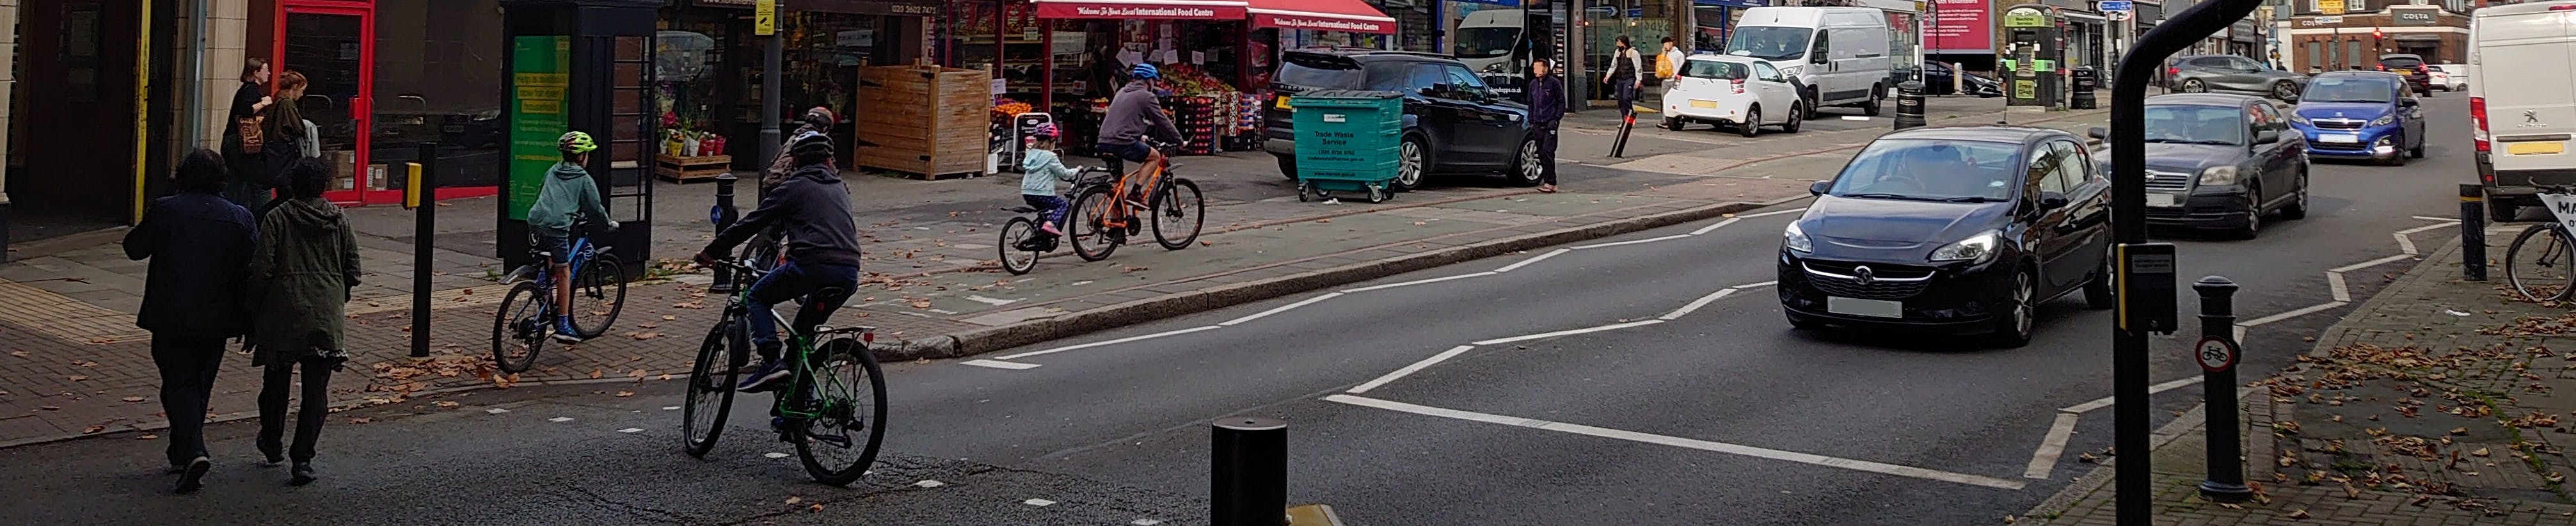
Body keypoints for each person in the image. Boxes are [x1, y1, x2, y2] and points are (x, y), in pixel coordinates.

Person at [123, 149, 257, 494]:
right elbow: (253, 267)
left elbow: (134, 248)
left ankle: (193, 450)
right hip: (218, 316)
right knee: (199, 383)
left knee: (178, 382)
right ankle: (181, 450)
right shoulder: (240, 218)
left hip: (171, 312)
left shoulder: (167, 210)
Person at [692, 132, 862, 398]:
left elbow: (751, 224)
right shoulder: (840, 187)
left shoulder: (793, 187)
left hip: (811, 266)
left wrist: (710, 253)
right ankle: (797, 407)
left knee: (758, 296)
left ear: (794, 161)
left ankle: (770, 360)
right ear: (830, 161)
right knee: (801, 337)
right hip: (849, 272)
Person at [245, 157, 360, 487]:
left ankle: (271, 441)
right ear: (324, 185)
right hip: (325, 313)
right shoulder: (339, 219)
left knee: (275, 382)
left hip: (282, 311)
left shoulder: (278, 217)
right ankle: (303, 459)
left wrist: (253, 304)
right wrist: (338, 295)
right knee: (316, 391)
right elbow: (353, 268)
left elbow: (263, 268)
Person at [526, 131, 616, 343]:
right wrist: (608, 225)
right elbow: (595, 208)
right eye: (587, 154)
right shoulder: (584, 179)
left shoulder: (553, 170)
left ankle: (542, 284)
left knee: (551, 261)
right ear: (581, 156)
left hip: (536, 221)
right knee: (564, 272)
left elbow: (542, 193)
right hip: (558, 226)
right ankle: (564, 326)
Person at [1095, 63, 1184, 183]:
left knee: (1119, 182)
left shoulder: (1121, 92)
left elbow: (1123, 119)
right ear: (1149, 80)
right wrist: (1179, 141)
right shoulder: (1147, 96)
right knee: (1155, 157)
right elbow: (1162, 121)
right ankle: (1136, 194)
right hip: (1122, 143)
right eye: (1154, 81)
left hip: (1103, 142)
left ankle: (1116, 200)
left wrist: (1138, 136)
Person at [255, 70, 315, 216]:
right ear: (294, 87)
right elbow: (298, 127)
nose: (302, 95)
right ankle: (260, 218)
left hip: (275, 153)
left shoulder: (278, 101)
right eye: (301, 90)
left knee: (284, 195)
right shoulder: (287, 104)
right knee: (287, 196)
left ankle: (262, 218)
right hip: (284, 155)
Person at [221, 58, 276, 209]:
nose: (269, 73)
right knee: (253, 179)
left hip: (234, 140)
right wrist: (264, 103)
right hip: (241, 142)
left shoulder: (246, 90)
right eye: (266, 70)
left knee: (236, 180)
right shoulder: (251, 90)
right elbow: (245, 111)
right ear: (256, 73)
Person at [1019, 123, 1077, 242]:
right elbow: (1064, 174)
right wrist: (1077, 170)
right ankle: (1050, 224)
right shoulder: (1051, 157)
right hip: (1043, 193)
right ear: (1052, 141)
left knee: (1043, 212)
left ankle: (1039, 236)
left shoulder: (1031, 154)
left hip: (1027, 192)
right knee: (1063, 205)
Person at [1529, 60, 1567, 194]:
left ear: (1546, 69)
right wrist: (1531, 121)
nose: (1535, 70)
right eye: (1534, 68)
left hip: (1550, 122)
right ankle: (1549, 181)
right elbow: (1531, 103)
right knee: (1540, 153)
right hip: (1537, 123)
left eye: (1538, 68)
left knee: (1548, 151)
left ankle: (1551, 183)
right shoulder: (1533, 84)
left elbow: (1562, 102)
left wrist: (1556, 119)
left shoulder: (1554, 83)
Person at [1605, 36, 1644, 119]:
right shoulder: (1618, 52)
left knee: (1626, 97)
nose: (1617, 44)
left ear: (1624, 43)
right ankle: (1624, 118)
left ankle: (1630, 116)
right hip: (1620, 78)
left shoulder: (1633, 53)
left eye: (1619, 42)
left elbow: (1638, 67)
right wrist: (1608, 75)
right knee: (1620, 99)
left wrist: (1638, 80)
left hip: (1629, 78)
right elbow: (1614, 65)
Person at [1657, 36, 1686, 122]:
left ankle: (1675, 120)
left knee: (1675, 101)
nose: (1665, 46)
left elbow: (1681, 68)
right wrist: (1663, 54)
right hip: (1665, 80)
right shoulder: (1665, 54)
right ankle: (1665, 120)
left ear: (1671, 43)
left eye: (1666, 44)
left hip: (1674, 80)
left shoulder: (1679, 54)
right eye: (1663, 45)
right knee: (1664, 100)